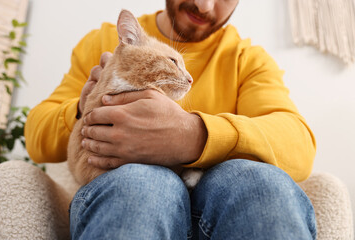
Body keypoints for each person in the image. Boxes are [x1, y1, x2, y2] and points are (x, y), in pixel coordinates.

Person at [25, 0, 317, 239]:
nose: (204, 6)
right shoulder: (104, 41)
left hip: (222, 202)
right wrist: (86, 105)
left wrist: (193, 135)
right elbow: (36, 137)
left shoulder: (248, 59)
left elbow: (299, 147)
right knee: (141, 183)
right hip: (130, 190)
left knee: (259, 183)